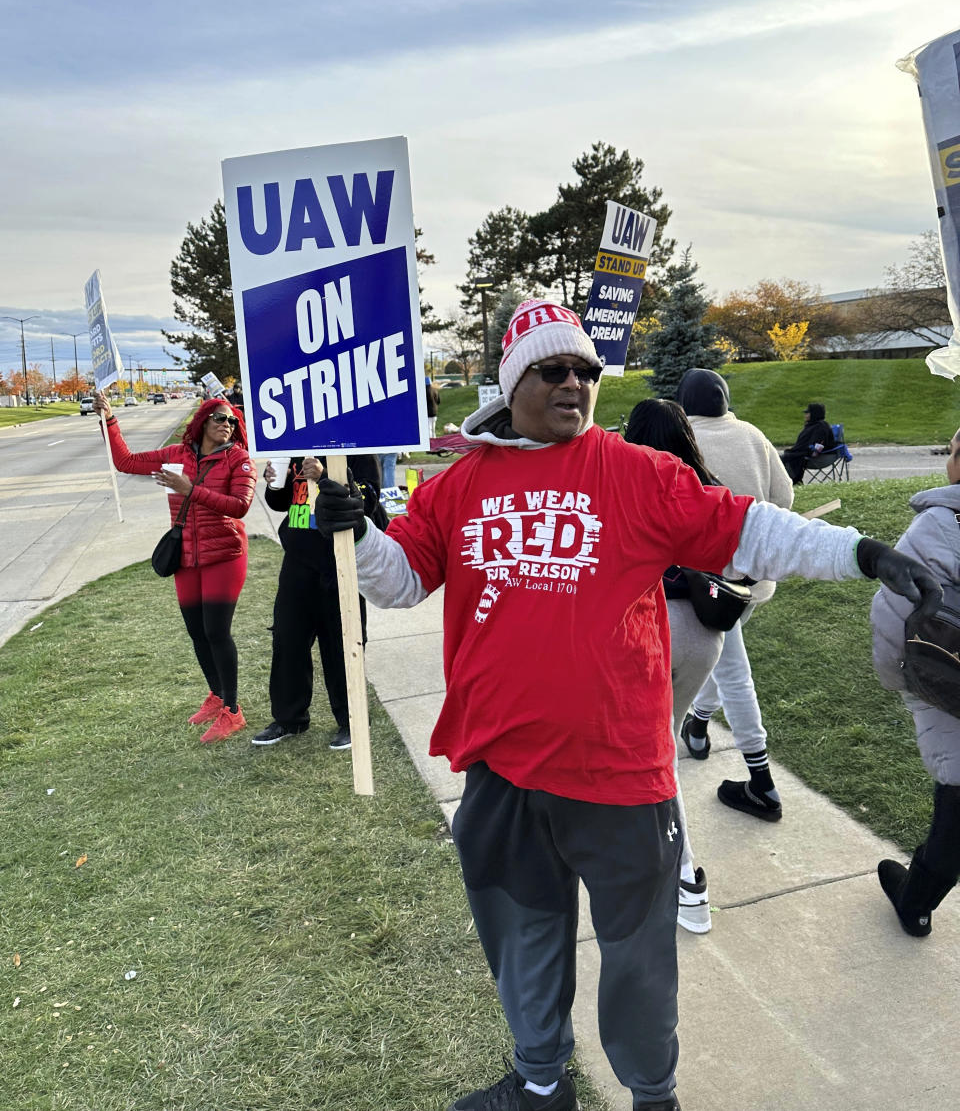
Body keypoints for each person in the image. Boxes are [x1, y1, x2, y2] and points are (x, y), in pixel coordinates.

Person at [313, 298, 939, 1111]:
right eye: (554, 369)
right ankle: (540, 1084)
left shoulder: (632, 472)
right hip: (503, 770)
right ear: (514, 382)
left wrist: (860, 552)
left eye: (586, 370)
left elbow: (746, 529)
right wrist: (344, 531)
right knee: (524, 940)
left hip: (618, 775)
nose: (575, 382)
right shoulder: (460, 484)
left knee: (639, 957)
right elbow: (400, 580)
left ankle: (653, 1096)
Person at [95, 390, 257, 742]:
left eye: (232, 420)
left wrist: (190, 489)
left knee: (217, 632)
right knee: (197, 633)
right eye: (220, 419)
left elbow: (240, 506)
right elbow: (126, 462)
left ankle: (233, 710)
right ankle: (216, 696)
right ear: (202, 422)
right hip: (185, 557)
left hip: (225, 555)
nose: (227, 425)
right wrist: (109, 419)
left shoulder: (239, 460)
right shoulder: (176, 455)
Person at [624, 398, 725, 935]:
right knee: (662, 748)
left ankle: (685, 878)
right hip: (706, 636)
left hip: (653, 631)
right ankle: (675, 868)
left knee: (654, 757)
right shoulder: (704, 484)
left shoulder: (629, 485)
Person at [676, 368, 796, 822]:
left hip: (702, 586)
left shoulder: (682, 439)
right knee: (721, 657)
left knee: (734, 672)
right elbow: (783, 501)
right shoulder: (752, 434)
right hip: (750, 583)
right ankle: (701, 728)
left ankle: (762, 784)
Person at [871, 426, 960, 937]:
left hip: (950, 689)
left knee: (958, 798)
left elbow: (893, 612)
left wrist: (898, 680)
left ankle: (916, 899)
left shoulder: (941, 525)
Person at [251, 454, 385, 750]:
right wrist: (276, 484)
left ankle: (352, 721)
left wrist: (326, 477)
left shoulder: (357, 447)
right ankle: (289, 719)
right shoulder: (297, 449)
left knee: (343, 644)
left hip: (342, 560)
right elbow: (280, 503)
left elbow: (368, 499)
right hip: (298, 561)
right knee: (288, 640)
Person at [780, 401, 835, 484]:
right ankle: (790, 480)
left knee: (787, 457)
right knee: (787, 456)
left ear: (814, 414)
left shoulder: (820, 427)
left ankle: (792, 480)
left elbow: (816, 446)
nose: (805, 415)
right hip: (806, 453)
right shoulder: (812, 425)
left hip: (816, 458)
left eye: (807, 413)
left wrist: (801, 451)